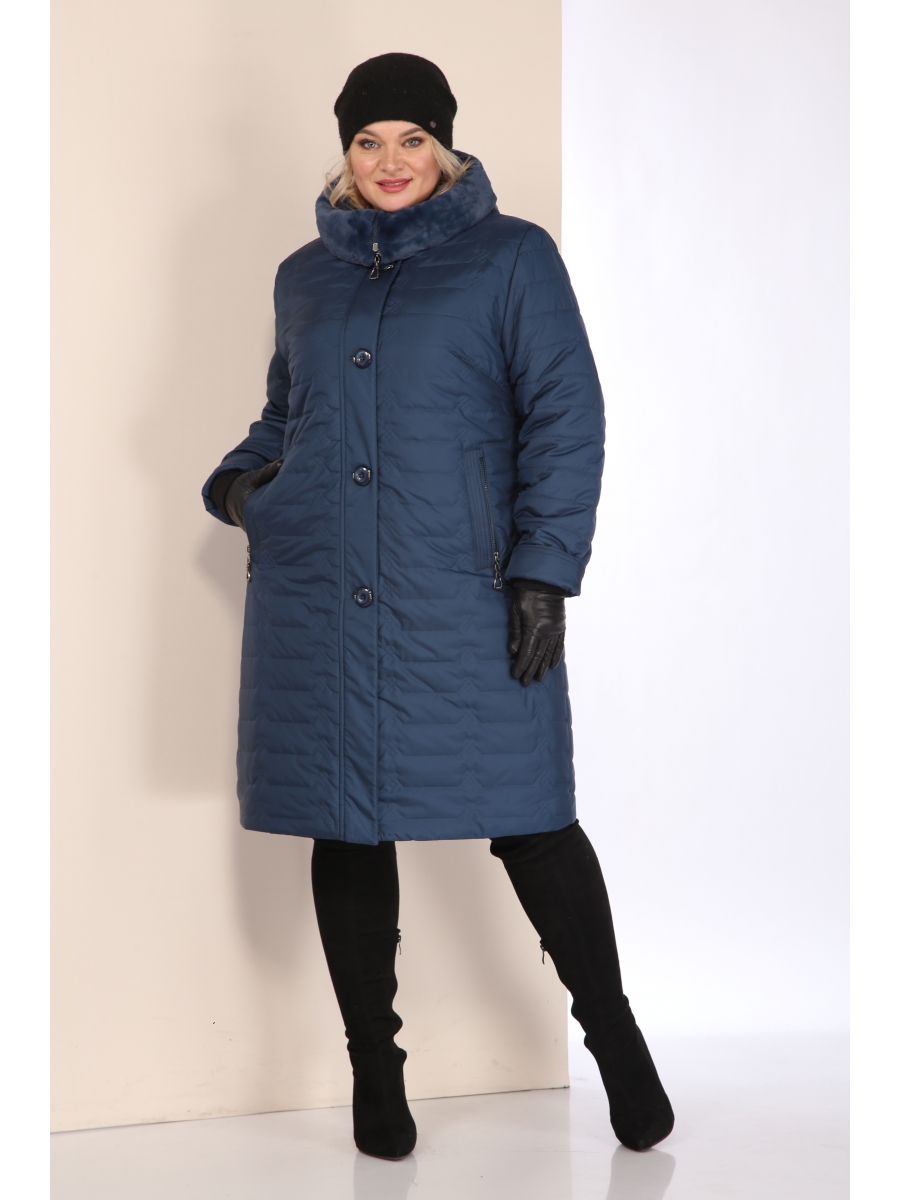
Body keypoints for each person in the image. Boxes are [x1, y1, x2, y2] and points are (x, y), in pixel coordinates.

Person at [203, 53, 673, 1161]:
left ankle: (617, 1043)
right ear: (345, 152)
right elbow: (284, 415)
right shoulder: (304, 275)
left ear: (446, 146)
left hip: (460, 585)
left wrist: (543, 573)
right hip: (322, 592)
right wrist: (242, 488)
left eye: (412, 139)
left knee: (533, 820)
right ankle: (376, 1072)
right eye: (368, 142)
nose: (390, 161)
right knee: (346, 823)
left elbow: (566, 414)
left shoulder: (513, 257)